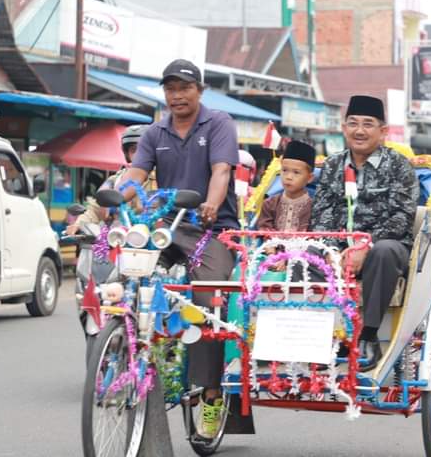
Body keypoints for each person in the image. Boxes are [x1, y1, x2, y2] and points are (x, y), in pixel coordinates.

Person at [117, 59, 238, 439]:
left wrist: (212, 204)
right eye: (170, 89)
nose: (177, 95)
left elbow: (221, 171)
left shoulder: (218, 123)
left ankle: (213, 396)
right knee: (126, 274)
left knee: (205, 301)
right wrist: (117, 196)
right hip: (167, 227)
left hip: (213, 228)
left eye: (184, 88)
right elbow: (136, 173)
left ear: (199, 90)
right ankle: (119, 356)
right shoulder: (155, 132)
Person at [309, 95, 419, 371]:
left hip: (384, 247)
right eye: (353, 124)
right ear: (344, 128)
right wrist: (330, 250)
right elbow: (321, 214)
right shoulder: (333, 165)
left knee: (384, 252)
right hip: (340, 248)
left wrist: (365, 246)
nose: (360, 131)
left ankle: (369, 336)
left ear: (382, 132)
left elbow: (402, 217)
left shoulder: (399, 165)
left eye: (368, 124)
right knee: (309, 253)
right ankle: (326, 337)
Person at [66, 124, 153, 235]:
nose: (139, 154)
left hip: (155, 242)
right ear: (127, 154)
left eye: (143, 149)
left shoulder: (161, 178)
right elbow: (95, 209)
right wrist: (78, 225)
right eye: (133, 150)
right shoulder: (115, 180)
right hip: (116, 241)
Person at [257, 140, 316, 232]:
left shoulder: (314, 207)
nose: (288, 177)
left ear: (310, 178)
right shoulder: (269, 204)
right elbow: (264, 231)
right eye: (284, 170)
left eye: (296, 172)